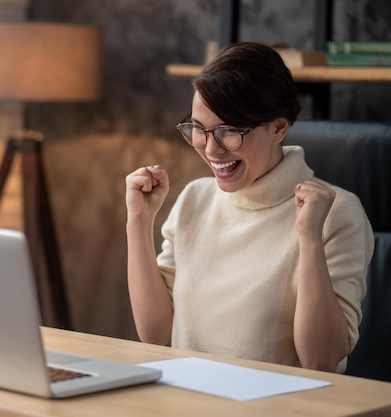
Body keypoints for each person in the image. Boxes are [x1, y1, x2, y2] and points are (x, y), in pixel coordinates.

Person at [125, 42, 374, 373]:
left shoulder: (336, 212)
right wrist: (138, 223)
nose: (211, 149)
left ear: (278, 127)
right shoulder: (193, 199)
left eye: (229, 131)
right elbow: (155, 334)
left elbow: (321, 360)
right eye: (198, 129)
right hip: (191, 401)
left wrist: (309, 237)